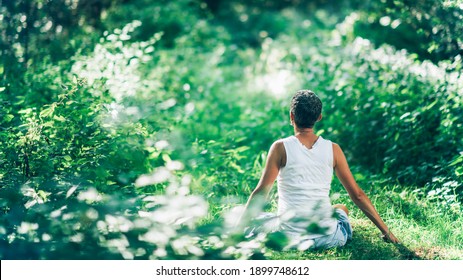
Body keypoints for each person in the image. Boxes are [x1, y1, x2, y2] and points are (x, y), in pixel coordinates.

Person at [238, 89, 399, 250]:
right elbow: (357, 195)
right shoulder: (333, 149)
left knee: (253, 218)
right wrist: (387, 232)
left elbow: (260, 193)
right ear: (319, 117)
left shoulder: (280, 147)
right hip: (328, 238)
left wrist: (237, 231)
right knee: (341, 209)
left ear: (291, 116)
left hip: (289, 238)